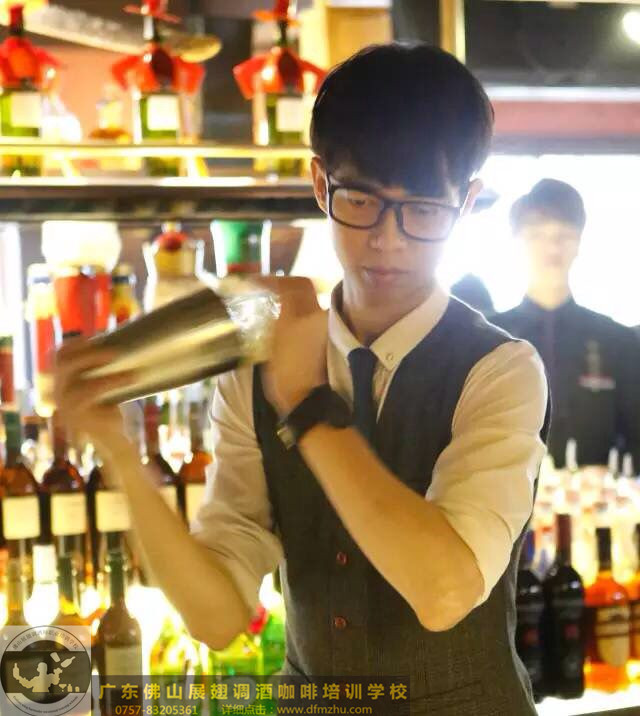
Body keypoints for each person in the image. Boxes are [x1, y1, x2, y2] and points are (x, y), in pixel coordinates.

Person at [54, 45, 548, 715]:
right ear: (320, 184)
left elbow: (444, 591)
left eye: (424, 209)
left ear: (467, 201)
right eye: (361, 200)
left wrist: (307, 405)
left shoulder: (502, 371)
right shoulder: (253, 372)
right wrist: (118, 452)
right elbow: (217, 617)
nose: (388, 240)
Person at [492, 179, 640, 469]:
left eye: (564, 235)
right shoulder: (489, 338)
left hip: (597, 495)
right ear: (517, 240)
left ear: (579, 241)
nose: (552, 247)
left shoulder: (618, 341)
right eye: (537, 234)